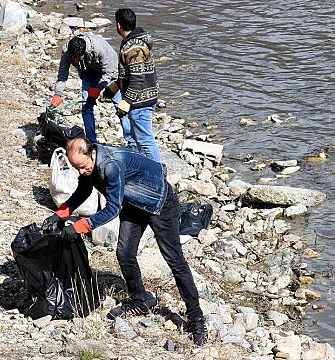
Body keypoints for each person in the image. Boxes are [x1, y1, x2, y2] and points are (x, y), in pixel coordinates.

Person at [42, 138, 208, 346]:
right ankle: (139, 301)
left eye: (83, 166)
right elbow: (83, 191)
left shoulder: (110, 166)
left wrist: (79, 227)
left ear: (92, 154)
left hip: (159, 203)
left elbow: (112, 209)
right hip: (133, 202)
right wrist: (61, 214)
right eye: (77, 168)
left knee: (174, 260)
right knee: (124, 253)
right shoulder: (88, 166)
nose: (82, 171)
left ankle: (196, 318)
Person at [102, 8, 161, 162]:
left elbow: (137, 78)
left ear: (119, 25)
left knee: (145, 141)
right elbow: (129, 74)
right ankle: (145, 168)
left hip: (140, 100)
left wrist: (126, 102)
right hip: (145, 96)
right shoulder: (135, 41)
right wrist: (113, 88)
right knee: (139, 139)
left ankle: (158, 174)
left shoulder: (132, 47)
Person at [51, 33, 118, 143]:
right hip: (87, 72)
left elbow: (108, 72)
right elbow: (63, 74)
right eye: (73, 59)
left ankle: (132, 142)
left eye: (77, 58)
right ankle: (92, 141)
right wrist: (58, 94)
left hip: (110, 72)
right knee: (86, 105)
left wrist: (98, 89)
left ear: (83, 53)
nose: (75, 61)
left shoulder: (99, 48)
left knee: (119, 105)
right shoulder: (67, 51)